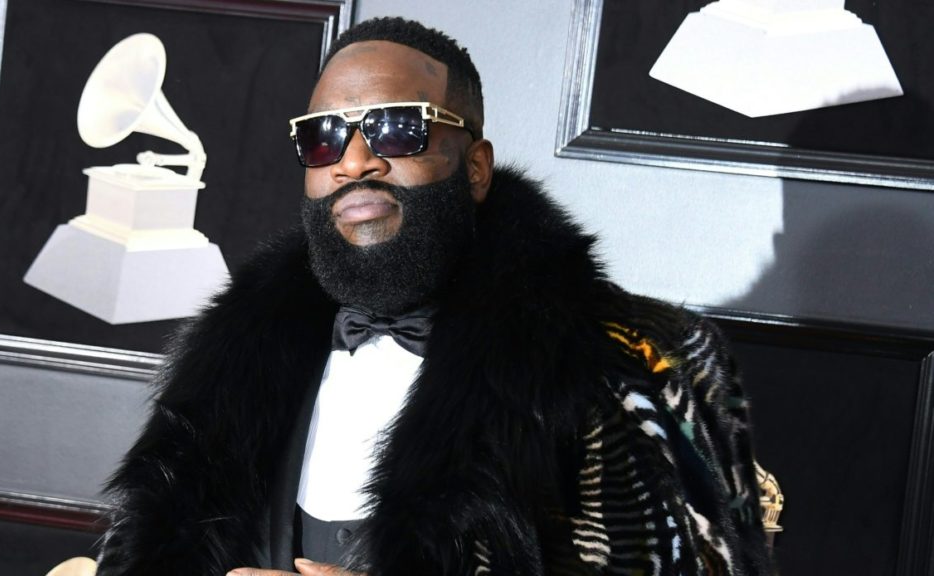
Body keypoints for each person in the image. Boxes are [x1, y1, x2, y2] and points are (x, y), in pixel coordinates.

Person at [93, 17, 772, 576]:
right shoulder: (228, 367)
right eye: (324, 137)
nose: (354, 161)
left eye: (396, 128)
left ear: (475, 168)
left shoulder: (636, 362)